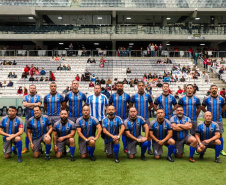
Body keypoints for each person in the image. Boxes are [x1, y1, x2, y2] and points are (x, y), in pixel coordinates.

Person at [201, 84, 226, 156]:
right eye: (213, 88)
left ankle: (221, 149)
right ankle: (201, 146)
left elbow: (224, 107)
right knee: (204, 133)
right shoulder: (206, 98)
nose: (214, 89)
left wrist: (219, 112)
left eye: (215, 88)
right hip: (209, 120)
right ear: (210, 90)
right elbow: (202, 107)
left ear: (217, 90)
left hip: (218, 120)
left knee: (220, 135)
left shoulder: (221, 98)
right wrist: (207, 114)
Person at [130, 81, 154, 155]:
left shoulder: (148, 95)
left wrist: (147, 109)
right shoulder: (134, 96)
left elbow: (151, 104)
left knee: (149, 133)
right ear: (137, 87)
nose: (141, 87)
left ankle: (149, 148)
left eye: (142, 85)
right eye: (139, 85)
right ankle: (133, 146)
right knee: (133, 132)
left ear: (144, 86)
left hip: (145, 117)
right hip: (135, 118)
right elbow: (131, 106)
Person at [109, 82, 130, 153]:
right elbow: (110, 105)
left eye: (121, 86)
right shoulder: (112, 95)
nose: (119, 87)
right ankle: (111, 146)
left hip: (124, 117)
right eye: (118, 86)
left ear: (123, 87)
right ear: (116, 87)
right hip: (114, 117)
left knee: (124, 132)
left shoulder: (127, 95)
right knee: (113, 131)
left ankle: (125, 147)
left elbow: (130, 105)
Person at [22, 84, 42, 154]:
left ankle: (39, 146)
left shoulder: (38, 96)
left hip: (38, 118)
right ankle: (26, 147)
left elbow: (39, 105)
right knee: (27, 133)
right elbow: (24, 104)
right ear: (29, 89)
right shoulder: (25, 96)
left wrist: (29, 104)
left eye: (34, 88)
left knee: (39, 132)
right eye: (31, 88)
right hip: (28, 118)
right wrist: (34, 104)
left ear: (35, 89)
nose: (32, 89)